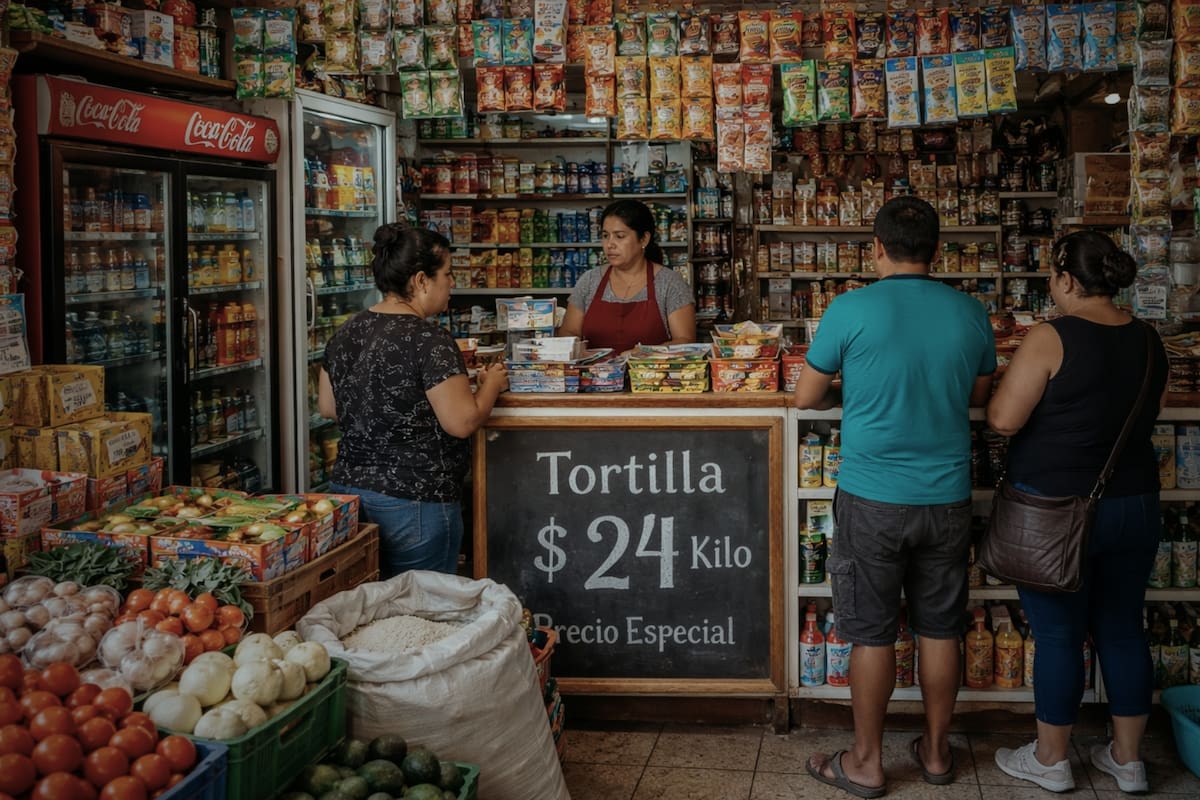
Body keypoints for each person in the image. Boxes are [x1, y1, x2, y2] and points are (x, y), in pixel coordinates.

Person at [794, 197, 996, 798]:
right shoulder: (969, 312)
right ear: (937, 252)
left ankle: (866, 762)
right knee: (940, 628)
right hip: (947, 498)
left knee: (871, 633)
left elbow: (805, 396)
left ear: (875, 248)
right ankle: (936, 754)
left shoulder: (850, 307)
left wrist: (854, 395)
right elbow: (978, 394)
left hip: (872, 498)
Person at [987, 230, 1168, 794]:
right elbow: (1149, 414)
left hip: (1056, 513)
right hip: (1135, 503)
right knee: (1121, 628)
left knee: (1060, 635)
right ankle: (1128, 759)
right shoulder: (1150, 339)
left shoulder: (1049, 337)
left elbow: (1004, 420)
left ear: (1066, 280)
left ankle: (1051, 759)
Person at [319, 223, 509, 577]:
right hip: (415, 502)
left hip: (348, 495)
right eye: (448, 274)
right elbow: (462, 422)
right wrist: (491, 385)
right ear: (422, 280)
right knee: (423, 613)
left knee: (367, 609)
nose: (452, 283)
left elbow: (329, 407)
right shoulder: (429, 339)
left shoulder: (347, 330)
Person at [558, 199, 696, 353]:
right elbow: (568, 333)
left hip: (650, 375)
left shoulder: (669, 283)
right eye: (605, 235)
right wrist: (577, 349)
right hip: (595, 375)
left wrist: (645, 353)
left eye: (620, 236)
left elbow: (685, 342)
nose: (609, 244)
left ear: (644, 239)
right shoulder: (589, 281)